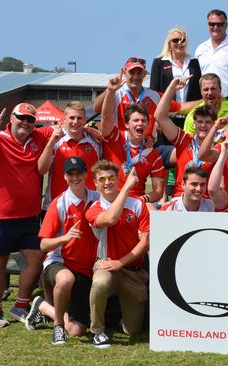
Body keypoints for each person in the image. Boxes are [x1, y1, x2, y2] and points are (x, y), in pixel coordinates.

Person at [0, 103, 53, 328]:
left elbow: (69, 123)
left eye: (30, 120)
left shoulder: (38, 136)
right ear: (12, 118)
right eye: (21, 118)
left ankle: (20, 305)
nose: (25, 123)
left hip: (28, 215)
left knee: (36, 259)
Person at [27, 157, 100, 345]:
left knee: (77, 330)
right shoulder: (59, 203)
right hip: (59, 261)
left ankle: (42, 306)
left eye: (79, 173)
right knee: (66, 279)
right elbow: (43, 245)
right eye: (70, 174)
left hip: (86, 266)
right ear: (65, 177)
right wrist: (65, 238)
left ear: (86, 174)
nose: (75, 177)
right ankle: (58, 327)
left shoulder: (98, 199)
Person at [85, 161, 149, 348]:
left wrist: (120, 262)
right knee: (100, 283)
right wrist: (127, 187)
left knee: (133, 330)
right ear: (95, 184)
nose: (107, 183)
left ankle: (114, 315)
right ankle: (97, 331)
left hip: (132, 269)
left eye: (112, 178)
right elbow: (111, 218)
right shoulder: (93, 208)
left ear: (118, 178)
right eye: (102, 179)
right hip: (106, 265)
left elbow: (145, 242)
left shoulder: (137, 204)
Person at [101, 74, 167, 204]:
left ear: (148, 124)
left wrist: (142, 200)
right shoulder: (115, 137)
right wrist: (111, 91)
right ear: (126, 124)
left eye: (143, 121)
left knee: (151, 209)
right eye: (135, 120)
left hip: (135, 202)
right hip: (110, 199)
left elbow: (158, 191)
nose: (140, 123)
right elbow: (106, 117)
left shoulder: (153, 155)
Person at [93, 57, 189, 139]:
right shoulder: (115, 93)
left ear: (144, 74)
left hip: (144, 148)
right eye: (132, 72)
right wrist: (110, 90)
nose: (135, 76)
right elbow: (96, 108)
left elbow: (180, 107)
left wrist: (203, 101)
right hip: (120, 146)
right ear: (124, 73)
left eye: (139, 73)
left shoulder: (154, 95)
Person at [154, 78, 216, 198]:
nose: (203, 125)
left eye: (208, 122)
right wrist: (171, 88)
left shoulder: (218, 147)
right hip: (181, 199)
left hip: (207, 203)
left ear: (214, 125)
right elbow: (159, 116)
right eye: (200, 122)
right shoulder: (184, 139)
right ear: (194, 124)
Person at [37, 101, 102, 209]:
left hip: (88, 207)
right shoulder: (55, 140)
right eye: (72, 118)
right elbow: (42, 170)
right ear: (64, 119)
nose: (75, 122)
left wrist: (90, 130)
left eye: (79, 118)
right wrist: (50, 143)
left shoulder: (96, 142)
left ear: (85, 120)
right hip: (56, 207)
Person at [195, 9, 228, 102]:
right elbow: (196, 78)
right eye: (212, 24)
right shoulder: (200, 49)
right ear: (207, 25)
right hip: (205, 100)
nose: (215, 27)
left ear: (226, 25)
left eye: (220, 24)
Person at [150, 26, 202, 107]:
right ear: (169, 44)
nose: (179, 43)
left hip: (190, 113)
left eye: (183, 40)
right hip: (168, 113)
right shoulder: (159, 62)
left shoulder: (194, 62)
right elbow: (153, 91)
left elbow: (199, 90)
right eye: (175, 40)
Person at [183, 73, 228, 140]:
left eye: (213, 89)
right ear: (201, 92)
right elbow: (187, 145)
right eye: (206, 89)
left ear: (220, 89)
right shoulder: (193, 116)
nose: (210, 93)